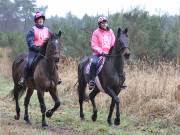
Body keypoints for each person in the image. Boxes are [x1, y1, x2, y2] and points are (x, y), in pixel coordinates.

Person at [18, 11, 51, 86]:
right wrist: (36, 48)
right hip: (34, 51)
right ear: (36, 20)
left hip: (45, 52)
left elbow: (51, 39)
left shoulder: (47, 30)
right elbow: (30, 41)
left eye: (42, 18)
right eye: (39, 19)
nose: (41, 20)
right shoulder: (32, 30)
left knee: (53, 61)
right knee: (29, 63)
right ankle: (23, 78)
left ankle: (55, 77)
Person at [89, 16, 116, 90]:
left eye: (105, 22)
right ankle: (92, 81)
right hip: (98, 54)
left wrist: (112, 51)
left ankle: (120, 81)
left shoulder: (110, 32)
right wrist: (101, 51)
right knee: (94, 62)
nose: (104, 24)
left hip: (109, 54)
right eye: (102, 23)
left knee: (117, 63)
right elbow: (93, 45)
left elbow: (113, 43)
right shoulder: (96, 32)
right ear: (99, 24)